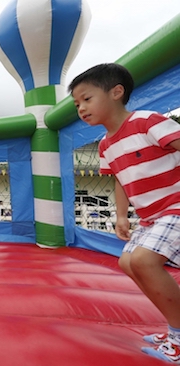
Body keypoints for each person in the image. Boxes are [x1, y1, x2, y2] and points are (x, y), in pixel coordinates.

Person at [69, 63, 180, 364]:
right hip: (151, 216)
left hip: (176, 206)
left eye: (87, 99)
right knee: (129, 262)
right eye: (77, 104)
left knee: (144, 260)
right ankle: (175, 328)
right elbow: (119, 180)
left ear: (116, 92)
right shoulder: (106, 145)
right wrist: (121, 215)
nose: (81, 108)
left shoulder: (147, 122)